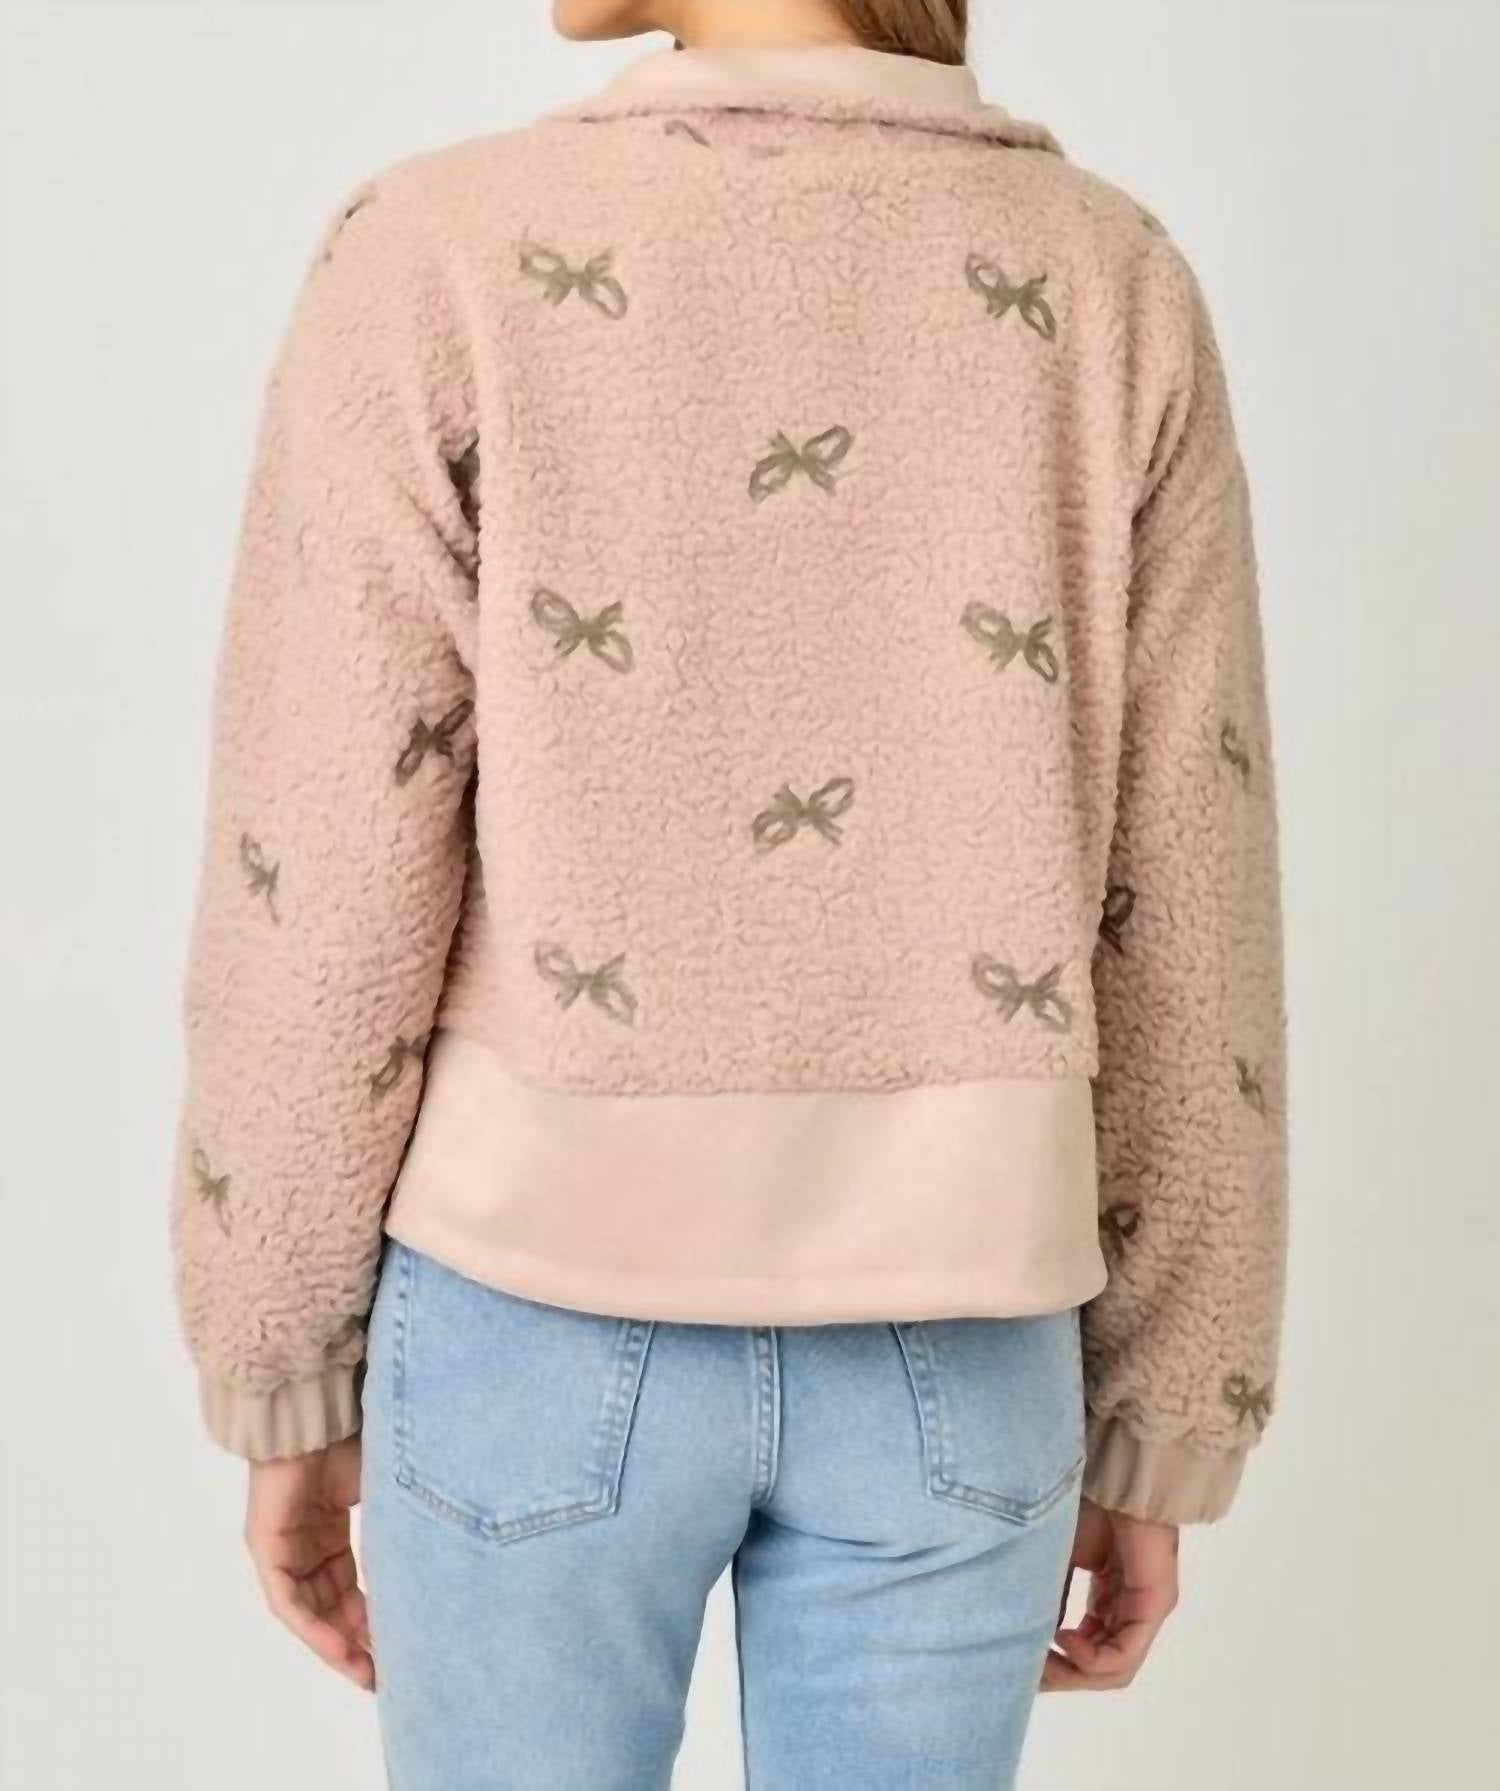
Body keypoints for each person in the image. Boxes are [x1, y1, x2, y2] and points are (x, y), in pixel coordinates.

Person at [169, 0, 1289, 1783]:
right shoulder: (1112, 281)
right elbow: (1190, 890)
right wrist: (1167, 1409)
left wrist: (278, 1356)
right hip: (964, 1335)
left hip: (532, 1311)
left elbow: (322, 867)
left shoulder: (438, 255)